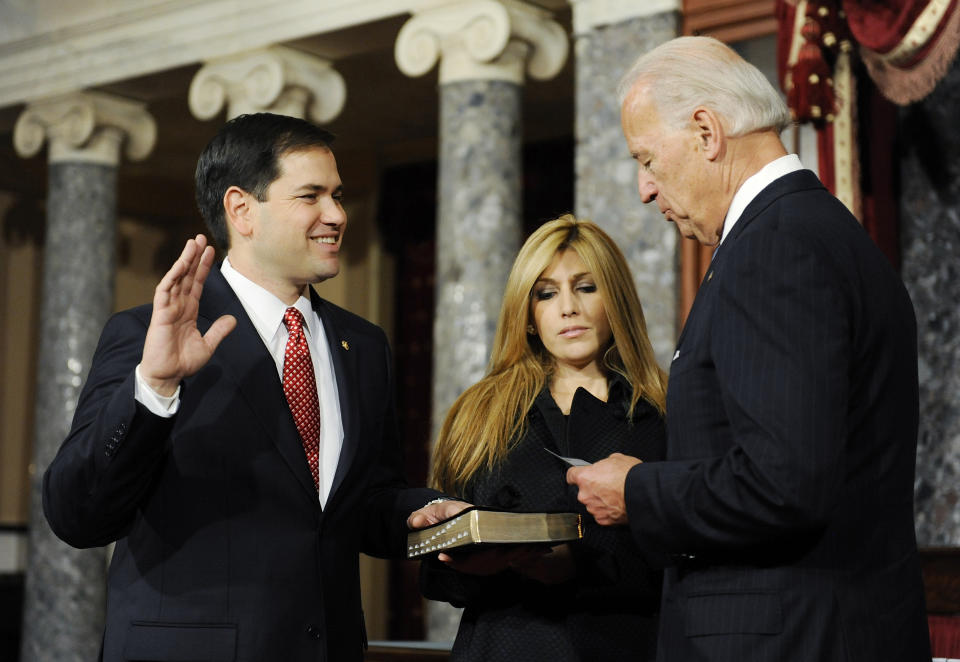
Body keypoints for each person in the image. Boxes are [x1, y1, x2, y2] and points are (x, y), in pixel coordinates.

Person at [42, 112, 466, 662]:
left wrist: (415, 512)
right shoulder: (151, 335)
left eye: (337, 195)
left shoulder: (363, 346)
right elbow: (76, 514)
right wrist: (154, 386)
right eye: (310, 196)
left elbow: (360, 502)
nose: (336, 215)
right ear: (242, 209)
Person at [566, 36, 932, 661]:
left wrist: (639, 492)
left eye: (648, 158)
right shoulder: (821, 232)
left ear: (707, 132)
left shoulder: (774, 247)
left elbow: (783, 484)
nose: (644, 189)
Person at [421, 215, 668, 661]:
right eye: (546, 293)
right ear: (529, 314)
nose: (568, 307)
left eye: (586, 287)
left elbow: (687, 557)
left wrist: (578, 565)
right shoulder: (482, 413)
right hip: (504, 646)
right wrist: (468, 559)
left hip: (624, 646)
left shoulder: (664, 411)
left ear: (617, 299)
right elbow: (438, 576)